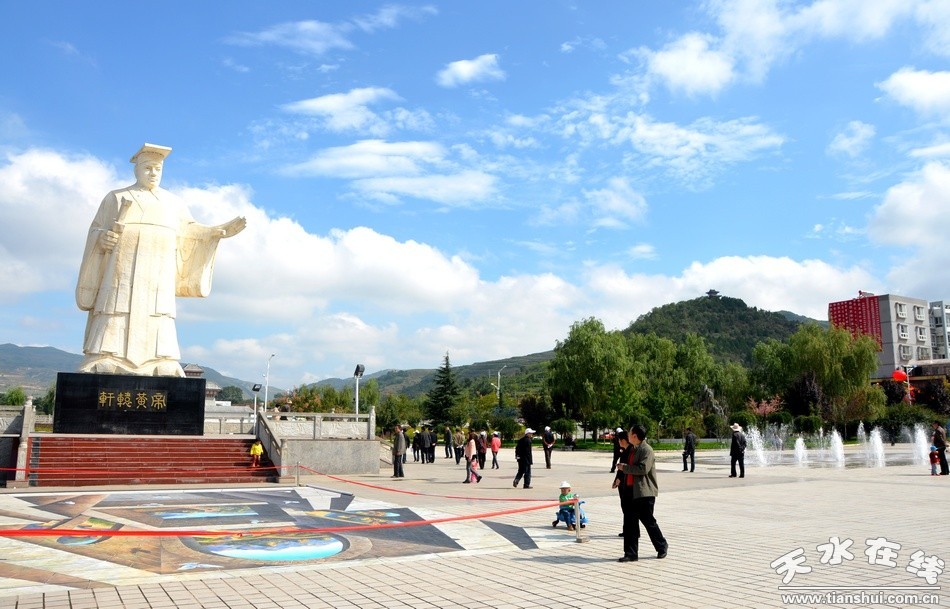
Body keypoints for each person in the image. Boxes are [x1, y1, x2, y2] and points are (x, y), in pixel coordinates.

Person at [76, 143, 246, 377]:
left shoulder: (173, 202)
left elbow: (190, 231)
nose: (153, 173)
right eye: (148, 168)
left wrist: (216, 232)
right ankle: (105, 355)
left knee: (159, 310)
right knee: (116, 304)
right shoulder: (116, 197)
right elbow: (96, 230)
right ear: (137, 170)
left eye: (158, 169)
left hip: (158, 269)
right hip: (121, 268)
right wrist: (102, 238)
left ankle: (161, 358)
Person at [614, 425, 668, 562]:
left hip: (644, 492)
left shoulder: (646, 450)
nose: (628, 435)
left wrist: (625, 468)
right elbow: (625, 465)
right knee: (630, 523)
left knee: (648, 521)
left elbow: (643, 469)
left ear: (635, 436)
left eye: (630, 433)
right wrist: (620, 474)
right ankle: (631, 553)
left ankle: (662, 545)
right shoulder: (632, 449)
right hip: (630, 491)